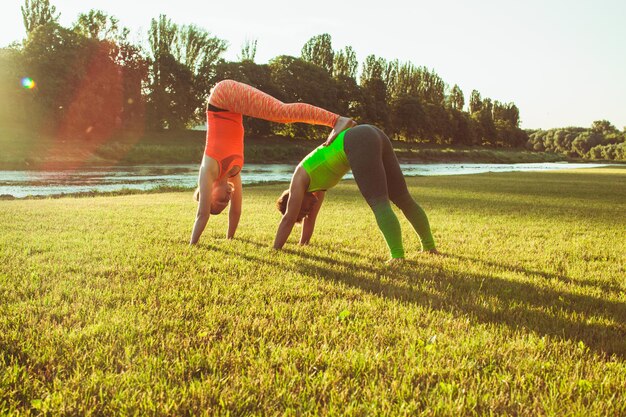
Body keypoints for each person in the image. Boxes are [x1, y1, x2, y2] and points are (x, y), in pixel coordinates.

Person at [190, 80, 355, 244]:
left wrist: (193, 243)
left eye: (220, 200)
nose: (227, 198)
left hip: (222, 98)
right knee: (281, 113)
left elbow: (202, 214)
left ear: (208, 192)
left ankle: (336, 120)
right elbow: (236, 210)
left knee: (281, 112)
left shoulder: (209, 170)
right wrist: (230, 238)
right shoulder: (233, 172)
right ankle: (337, 120)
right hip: (230, 106)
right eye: (225, 202)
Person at [273, 124, 437, 262]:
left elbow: (288, 218)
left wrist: (275, 250)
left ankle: (397, 257)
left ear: (294, 200)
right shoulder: (316, 186)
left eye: (303, 209)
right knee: (403, 198)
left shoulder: (298, 180)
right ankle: (429, 247)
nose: (309, 210)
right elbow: (310, 219)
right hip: (373, 133)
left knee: (379, 202)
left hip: (358, 141)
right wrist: (303, 244)